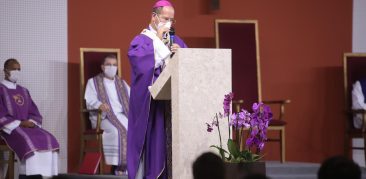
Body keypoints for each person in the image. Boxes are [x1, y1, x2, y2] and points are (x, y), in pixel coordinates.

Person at [127, 0, 188, 179]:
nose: (168, 23)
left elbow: (190, 64)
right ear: (154, 17)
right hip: (151, 105)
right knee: (155, 143)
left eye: (172, 20)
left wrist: (181, 54)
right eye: (165, 18)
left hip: (172, 104)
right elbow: (140, 66)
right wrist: (161, 45)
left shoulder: (176, 40)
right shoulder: (141, 40)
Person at [0, 58, 59, 178]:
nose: (16, 71)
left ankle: (42, 175)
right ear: (5, 71)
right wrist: (20, 123)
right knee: (28, 141)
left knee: (49, 138)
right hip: (9, 129)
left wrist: (31, 122)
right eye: (14, 69)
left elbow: (33, 111)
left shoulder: (24, 91)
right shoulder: (0, 89)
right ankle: (26, 176)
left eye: (19, 69)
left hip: (27, 126)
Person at [84, 54, 130, 175]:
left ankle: (130, 167)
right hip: (104, 117)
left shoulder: (122, 83)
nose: (112, 67)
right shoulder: (93, 82)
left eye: (114, 65)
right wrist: (99, 105)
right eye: (109, 64)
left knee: (135, 131)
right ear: (103, 67)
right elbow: (89, 100)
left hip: (122, 116)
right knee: (117, 132)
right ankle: (117, 167)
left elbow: (133, 99)